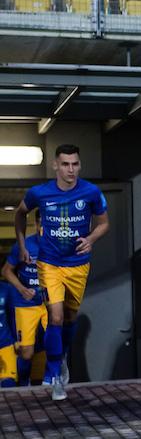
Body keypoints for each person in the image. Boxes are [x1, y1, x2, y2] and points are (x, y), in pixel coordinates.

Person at [14, 144, 109, 401]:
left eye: (75, 164)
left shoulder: (91, 192)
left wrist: (91, 239)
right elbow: (20, 214)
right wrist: (23, 245)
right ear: (55, 165)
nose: (70, 169)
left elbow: (104, 223)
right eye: (65, 164)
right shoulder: (39, 193)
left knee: (68, 318)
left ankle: (62, 356)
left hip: (78, 264)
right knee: (54, 317)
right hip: (49, 263)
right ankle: (54, 374)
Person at [2, 238, 47, 387]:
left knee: (56, 341)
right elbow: (6, 271)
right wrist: (22, 289)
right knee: (26, 352)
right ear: (37, 224)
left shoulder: (57, 243)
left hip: (49, 303)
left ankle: (55, 379)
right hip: (25, 305)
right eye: (41, 225)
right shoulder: (24, 246)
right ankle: (23, 387)